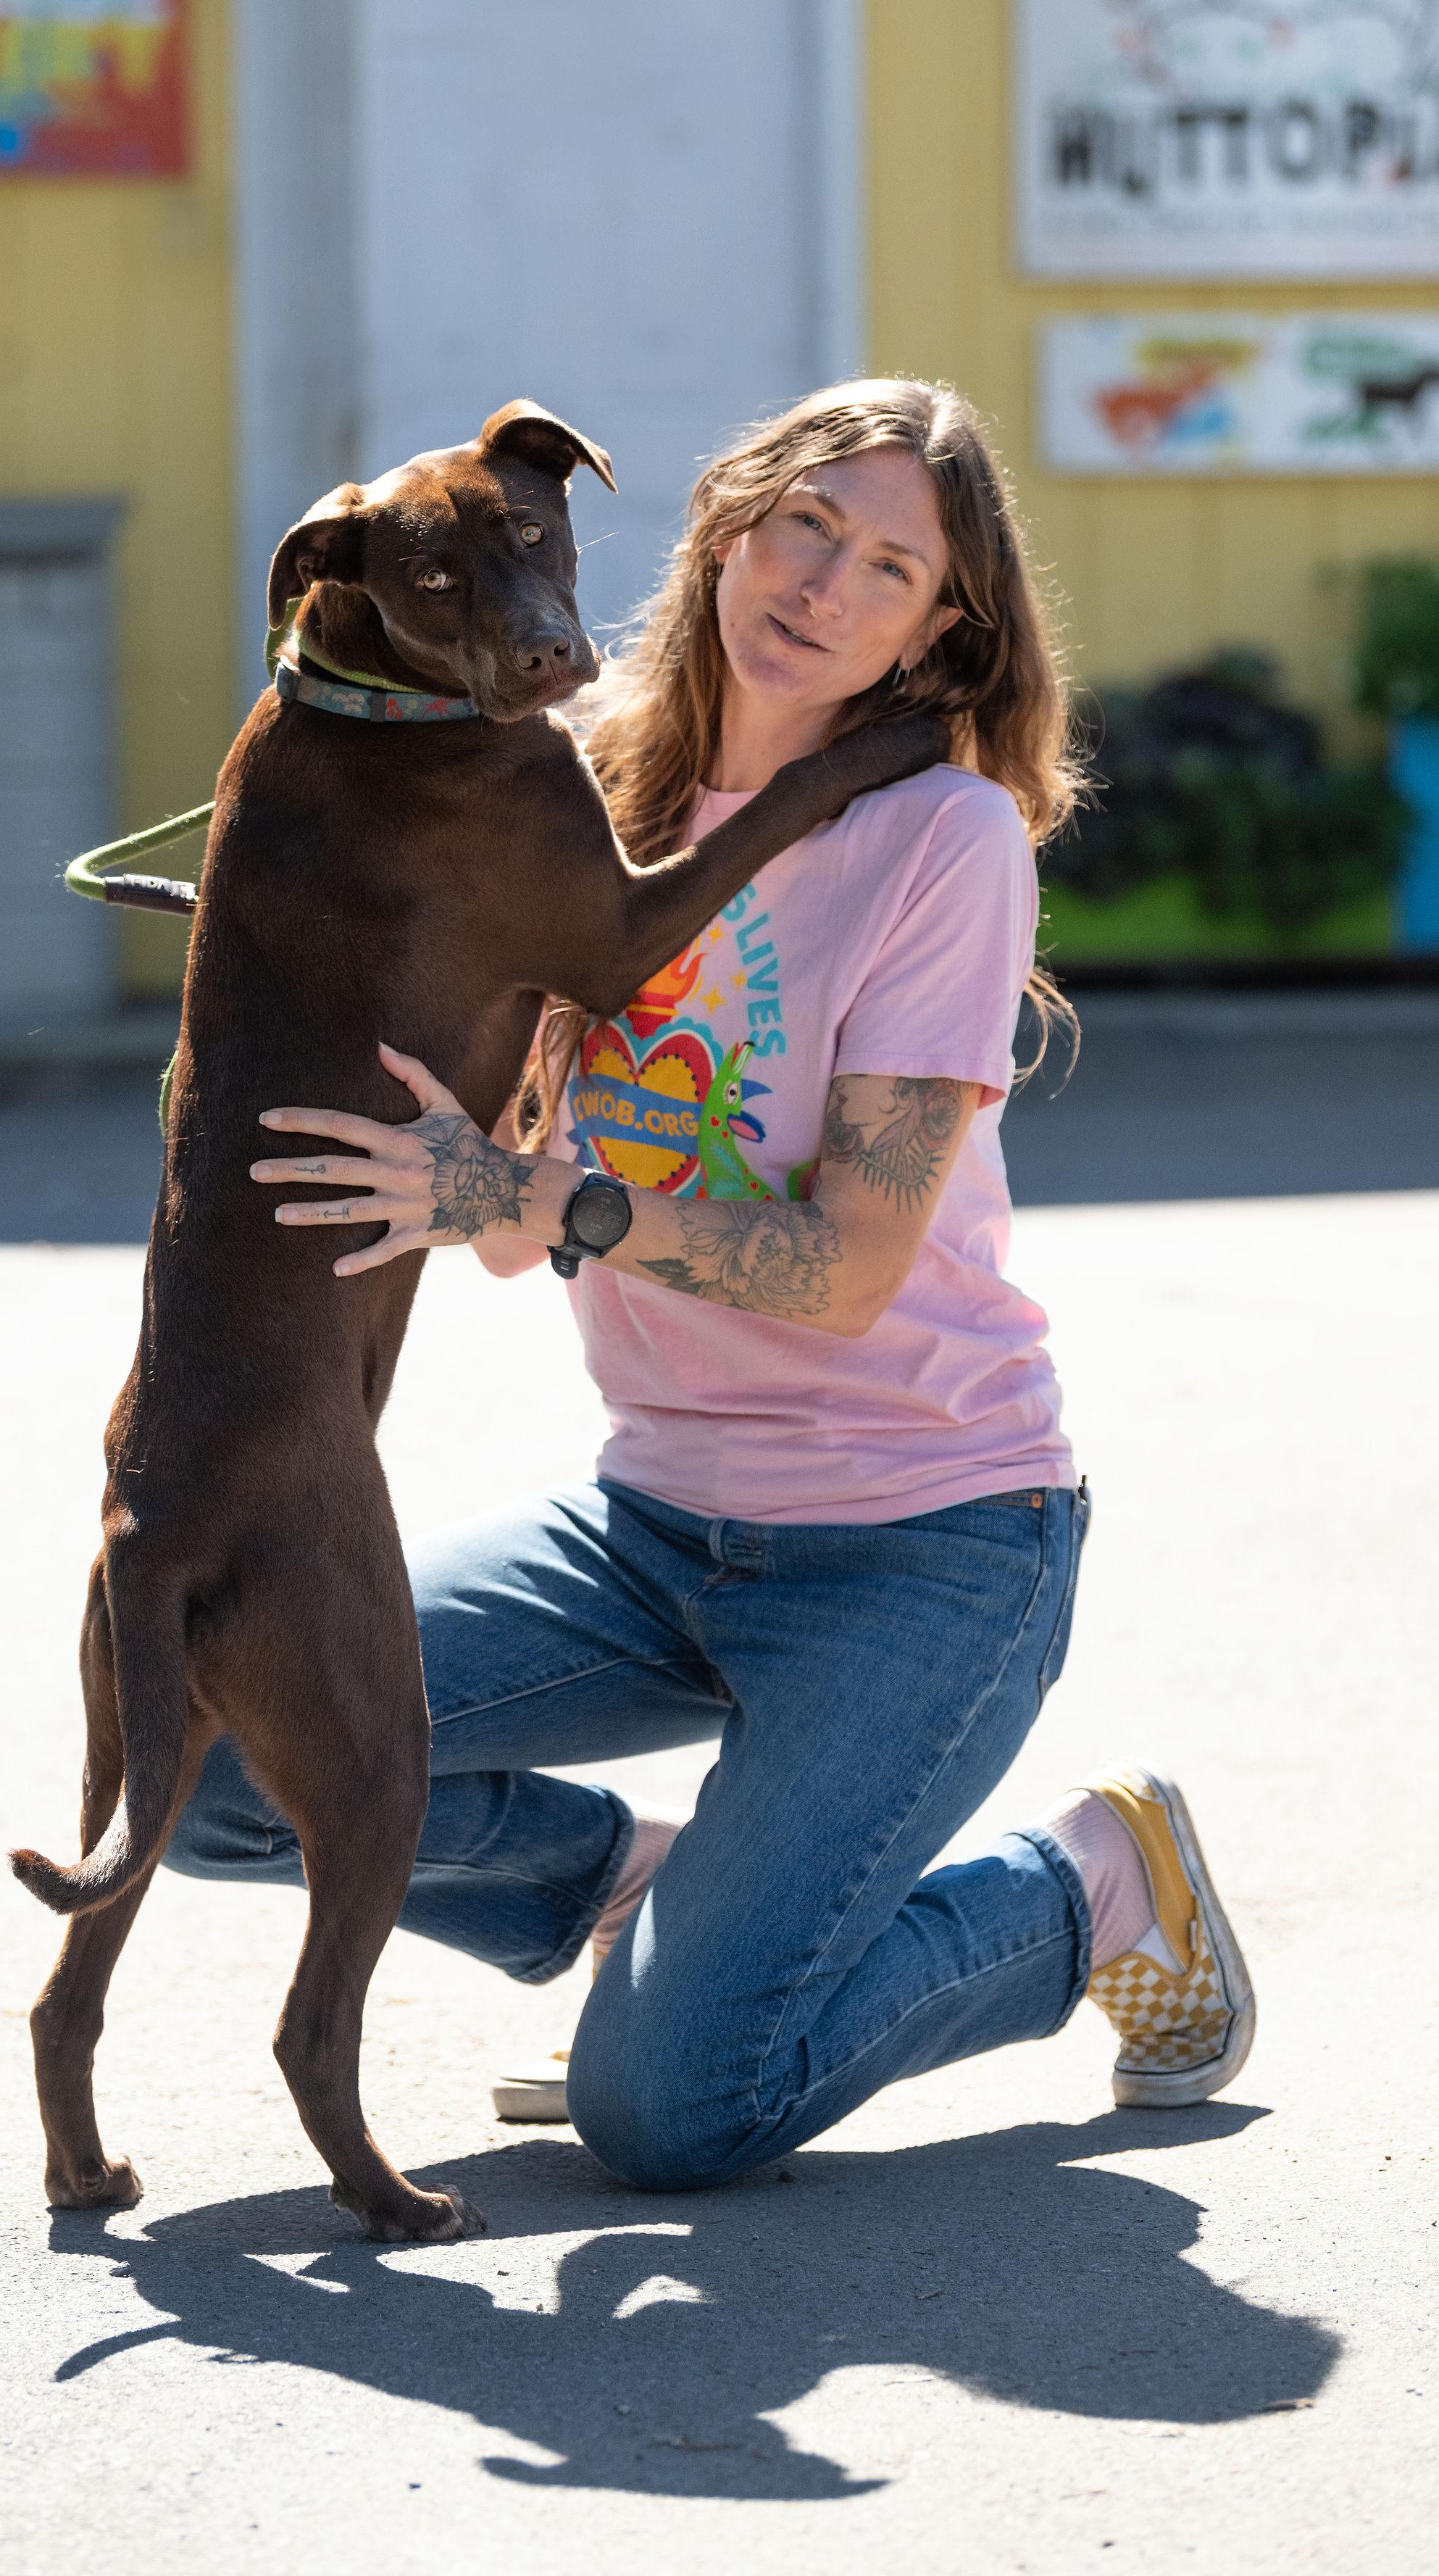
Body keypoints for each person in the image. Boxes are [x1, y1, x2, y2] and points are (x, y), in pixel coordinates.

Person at [162, 379, 1254, 2185]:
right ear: (729, 522)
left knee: (673, 2111)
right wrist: (438, 1133)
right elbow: (516, 1221)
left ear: (939, 629)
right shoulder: (582, 782)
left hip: (925, 1545)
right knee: (211, 1747)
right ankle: (646, 1893)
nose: (824, 584)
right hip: (659, 1524)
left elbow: (838, 1271)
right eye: (806, 524)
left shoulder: (941, 844)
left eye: (889, 565)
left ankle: (1101, 1878)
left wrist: (533, 1191)